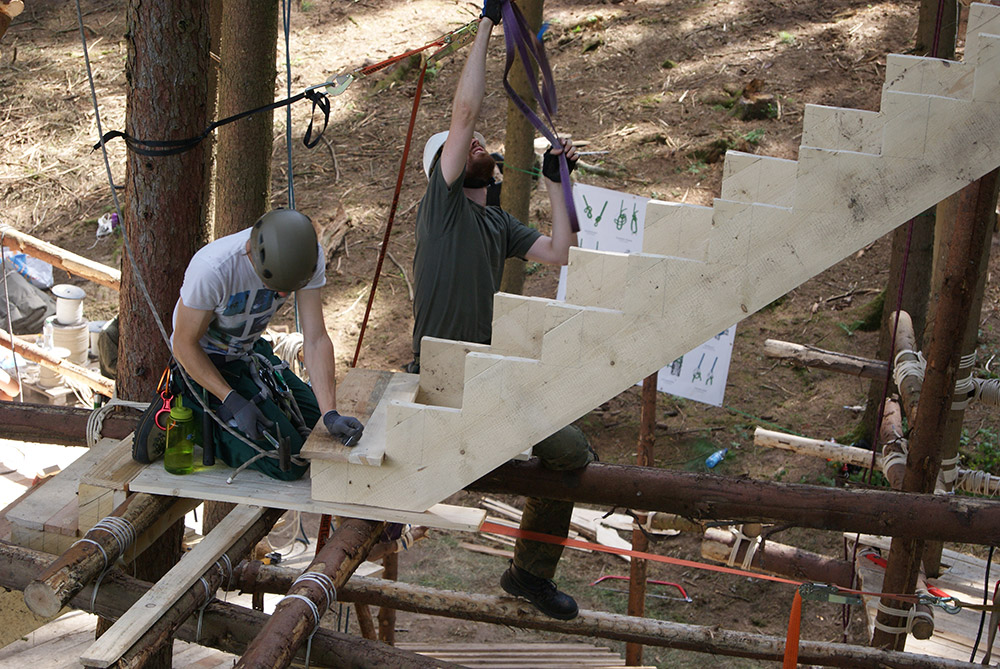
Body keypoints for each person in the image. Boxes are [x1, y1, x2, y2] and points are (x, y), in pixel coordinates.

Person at [408, 3, 594, 620]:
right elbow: (464, 115)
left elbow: (562, 252)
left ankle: (528, 573)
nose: (481, 145)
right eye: (469, 147)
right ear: (448, 169)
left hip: (481, 374)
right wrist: (487, 22)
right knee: (563, 452)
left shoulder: (496, 222)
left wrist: (555, 181)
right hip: (442, 374)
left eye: (482, 145)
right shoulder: (442, 210)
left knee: (570, 453)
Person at [169, 208, 363, 480]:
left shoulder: (307, 257)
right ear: (251, 255)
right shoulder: (214, 268)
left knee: (319, 430)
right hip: (203, 366)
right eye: (277, 286)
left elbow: (316, 339)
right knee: (288, 462)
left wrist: (330, 412)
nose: (283, 295)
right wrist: (231, 399)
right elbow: (183, 346)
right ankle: (201, 423)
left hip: (249, 353)